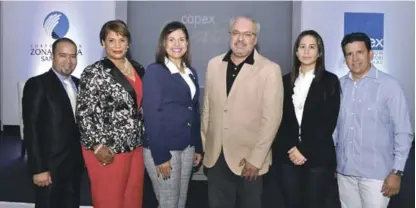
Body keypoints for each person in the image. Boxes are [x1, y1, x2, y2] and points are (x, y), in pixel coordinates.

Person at [201, 16, 284, 208]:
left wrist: (256, 159)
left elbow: (271, 120)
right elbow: (207, 110)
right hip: (216, 158)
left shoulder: (269, 70)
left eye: (247, 34)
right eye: (236, 33)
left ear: (255, 39)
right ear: (229, 35)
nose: (241, 39)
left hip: (249, 162)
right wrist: (207, 146)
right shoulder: (213, 65)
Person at [335, 32, 414, 208]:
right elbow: (334, 130)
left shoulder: (389, 86)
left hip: (378, 177)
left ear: (371, 54)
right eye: (349, 54)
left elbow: (403, 132)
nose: (354, 58)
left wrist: (397, 172)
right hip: (344, 173)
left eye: (360, 52)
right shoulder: (338, 86)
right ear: (345, 58)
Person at [76, 20, 146, 208]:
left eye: (122, 40)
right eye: (111, 40)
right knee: (109, 201)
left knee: (133, 199)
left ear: (128, 43)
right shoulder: (93, 72)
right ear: (102, 43)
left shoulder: (139, 68)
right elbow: (83, 114)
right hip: (108, 150)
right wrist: (97, 146)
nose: (117, 45)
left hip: (135, 146)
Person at [272, 30, 341, 208]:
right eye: (302, 47)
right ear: (296, 51)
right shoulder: (284, 81)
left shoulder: (330, 81)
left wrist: (303, 150)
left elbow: (328, 123)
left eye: (312, 47)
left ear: (319, 52)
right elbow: (278, 120)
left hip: (318, 157)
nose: (306, 51)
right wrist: (291, 148)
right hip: (288, 157)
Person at [142, 21, 203, 208]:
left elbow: (194, 110)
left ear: (187, 44)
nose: (177, 44)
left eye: (182, 39)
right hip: (163, 148)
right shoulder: (155, 71)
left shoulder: (191, 72)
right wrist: (160, 156)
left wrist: (198, 146)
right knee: (168, 203)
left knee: (180, 201)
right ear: (163, 43)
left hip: (187, 147)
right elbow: (151, 115)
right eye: (171, 39)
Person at [22, 37, 83, 208]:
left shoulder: (80, 84)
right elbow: (31, 129)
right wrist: (38, 168)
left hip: (74, 166)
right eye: (63, 55)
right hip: (49, 168)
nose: (69, 61)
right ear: (53, 56)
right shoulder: (37, 84)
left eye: (73, 56)